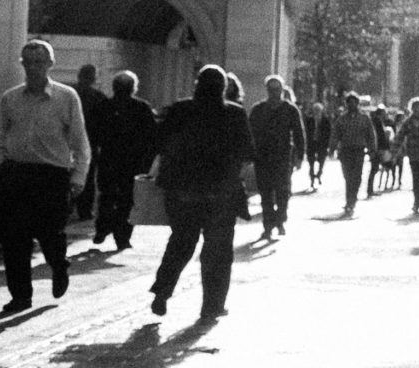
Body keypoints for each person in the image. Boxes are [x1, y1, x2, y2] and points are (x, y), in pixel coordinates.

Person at [0, 39, 91, 312]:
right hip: (18, 174)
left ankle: (59, 266)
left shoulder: (66, 97)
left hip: (52, 175)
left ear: (50, 65)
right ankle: (21, 295)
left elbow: (79, 142)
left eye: (39, 63)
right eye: (28, 62)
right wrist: (0, 167)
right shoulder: (10, 98)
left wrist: (78, 178)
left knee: (50, 234)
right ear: (22, 65)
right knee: (14, 239)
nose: (33, 68)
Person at [148, 64, 253, 320]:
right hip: (220, 194)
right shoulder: (235, 114)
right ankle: (212, 305)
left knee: (181, 242)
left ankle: (163, 290)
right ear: (223, 88)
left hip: (182, 192)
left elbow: (158, 142)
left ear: (197, 85)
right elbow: (248, 152)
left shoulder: (179, 110)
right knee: (218, 251)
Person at [93, 69, 160, 252]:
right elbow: (153, 137)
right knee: (128, 200)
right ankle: (122, 236)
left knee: (106, 195)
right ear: (133, 88)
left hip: (108, 159)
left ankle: (103, 227)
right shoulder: (142, 108)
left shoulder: (103, 106)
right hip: (133, 162)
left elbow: (93, 134)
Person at [249, 75, 308, 238]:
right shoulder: (258, 109)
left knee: (283, 192)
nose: (274, 93)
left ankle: (280, 220)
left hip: (282, 158)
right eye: (271, 89)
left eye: (277, 89)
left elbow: (298, 134)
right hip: (262, 158)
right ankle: (268, 226)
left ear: (282, 90)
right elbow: (249, 133)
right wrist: (248, 154)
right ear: (267, 90)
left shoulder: (290, 110)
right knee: (266, 194)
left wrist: (299, 156)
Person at [72, 63, 110, 221]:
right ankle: (84, 210)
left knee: (68, 173)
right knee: (88, 177)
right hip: (90, 141)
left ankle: (68, 206)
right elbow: (105, 123)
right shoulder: (99, 97)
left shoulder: (71, 93)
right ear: (94, 78)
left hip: (69, 141)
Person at [331, 92, 377, 214]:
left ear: (357, 103)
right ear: (346, 104)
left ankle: (352, 200)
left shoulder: (364, 118)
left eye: (354, 102)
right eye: (349, 102)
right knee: (348, 177)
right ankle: (349, 200)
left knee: (356, 177)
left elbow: (370, 135)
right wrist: (332, 148)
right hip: (345, 151)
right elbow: (335, 135)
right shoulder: (341, 119)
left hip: (358, 150)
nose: (352, 104)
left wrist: (372, 149)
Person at [304, 94, 330, 188]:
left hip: (321, 144)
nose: (317, 112)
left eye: (318, 110)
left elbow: (328, 133)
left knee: (321, 161)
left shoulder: (325, 120)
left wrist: (328, 145)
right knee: (311, 163)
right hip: (311, 144)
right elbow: (306, 131)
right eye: (315, 110)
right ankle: (311, 179)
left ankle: (319, 174)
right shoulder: (309, 120)